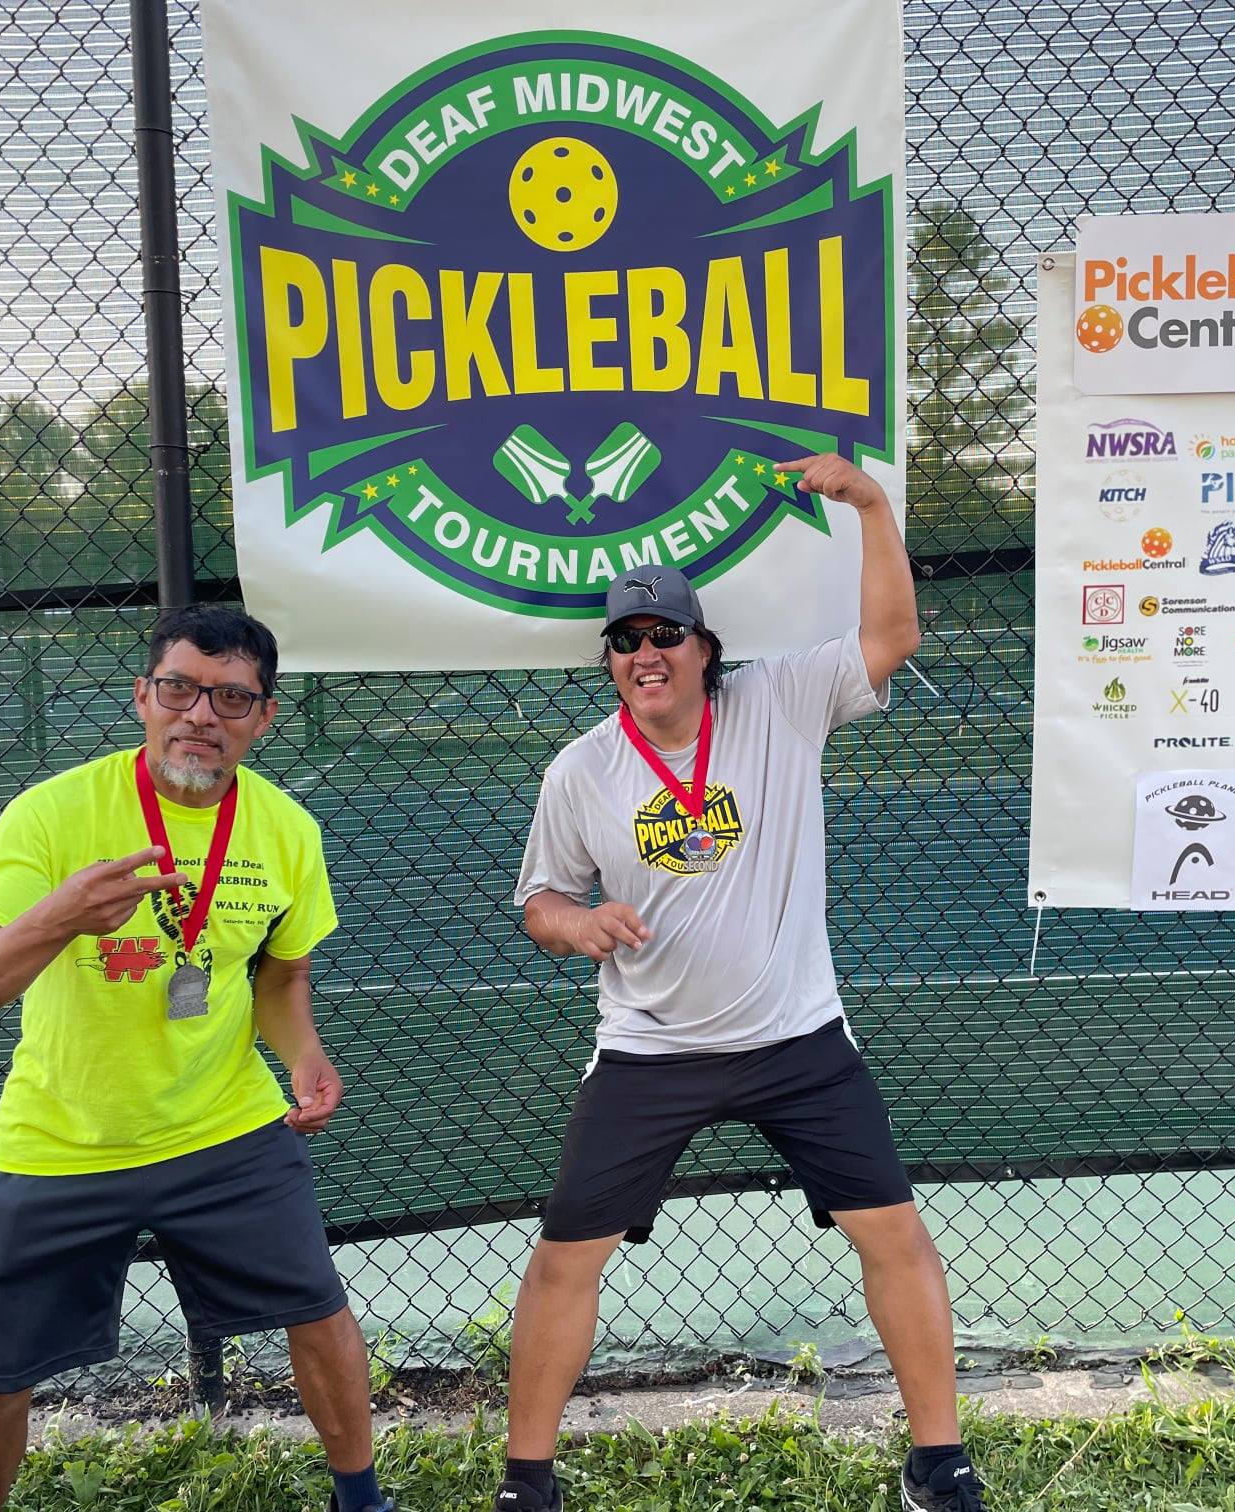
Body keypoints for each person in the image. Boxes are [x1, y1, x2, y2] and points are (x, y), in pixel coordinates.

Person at [497, 455, 986, 1512]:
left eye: (664, 634)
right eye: (625, 642)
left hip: (796, 1040)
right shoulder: (580, 770)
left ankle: (937, 1464)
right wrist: (575, 922)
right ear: (612, 664)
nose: (645, 653)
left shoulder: (779, 700)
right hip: (649, 1051)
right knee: (563, 1257)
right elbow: (540, 901)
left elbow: (892, 637)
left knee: (892, 1233)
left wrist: (867, 503)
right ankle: (525, 1480)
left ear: (706, 649)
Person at [0, 605, 393, 1512]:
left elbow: (279, 979)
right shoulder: (54, 814)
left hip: (225, 1126)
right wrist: (61, 915)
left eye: (231, 698)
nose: (200, 716)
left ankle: (361, 1498)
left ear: (263, 717)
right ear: (143, 697)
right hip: (62, 1141)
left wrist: (305, 1056)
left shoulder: (288, 831)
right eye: (179, 688)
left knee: (320, 1309)